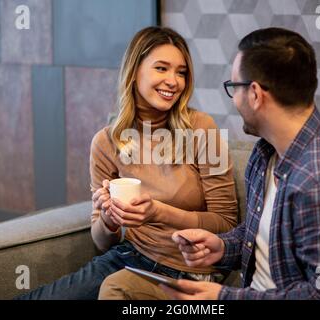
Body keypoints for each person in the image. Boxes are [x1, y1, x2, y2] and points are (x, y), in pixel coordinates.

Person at [157, 27, 320, 300]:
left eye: (235, 88)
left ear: (255, 94)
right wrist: (222, 246)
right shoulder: (266, 152)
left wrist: (223, 298)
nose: (235, 101)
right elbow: (268, 233)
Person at [15, 26, 238, 300]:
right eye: (161, 68)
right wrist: (108, 218)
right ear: (134, 72)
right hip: (126, 257)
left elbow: (227, 224)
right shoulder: (106, 142)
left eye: (181, 72)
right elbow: (100, 241)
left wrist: (158, 212)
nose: (173, 81)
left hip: (185, 271)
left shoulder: (202, 129)